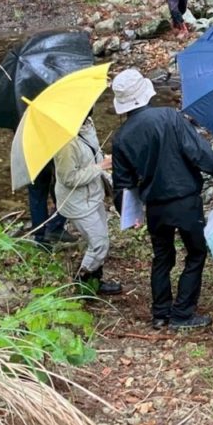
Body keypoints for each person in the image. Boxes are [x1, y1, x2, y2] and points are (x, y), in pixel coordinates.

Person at [110, 68, 213, 331]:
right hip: (185, 201)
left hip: (155, 207)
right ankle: (182, 313)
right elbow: (199, 154)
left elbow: (123, 185)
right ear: (146, 93)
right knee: (196, 252)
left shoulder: (121, 138)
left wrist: (129, 214)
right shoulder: (170, 117)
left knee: (162, 257)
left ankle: (160, 314)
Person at [53, 116, 122, 296]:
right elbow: (68, 179)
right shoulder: (65, 144)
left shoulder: (86, 125)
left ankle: (95, 279)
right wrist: (100, 166)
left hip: (92, 196)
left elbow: (91, 153)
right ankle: (82, 282)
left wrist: (102, 160)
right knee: (99, 244)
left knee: (100, 239)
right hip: (78, 203)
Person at [28, 162, 77, 247]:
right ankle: (54, 226)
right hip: (50, 159)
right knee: (65, 190)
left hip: (32, 162)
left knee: (37, 199)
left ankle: (41, 238)